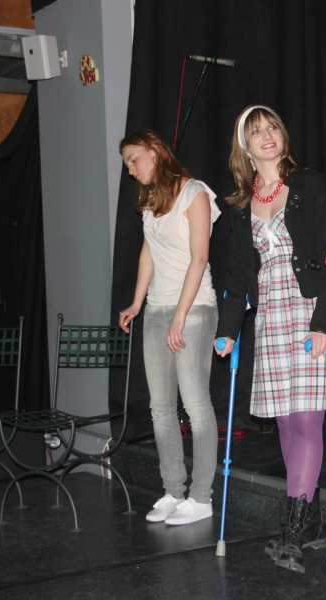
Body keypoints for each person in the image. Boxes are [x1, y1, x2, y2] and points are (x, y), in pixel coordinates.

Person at [215, 105, 326, 573]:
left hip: (308, 310)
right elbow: (237, 275)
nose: (267, 136)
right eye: (256, 131)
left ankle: (292, 532)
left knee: (306, 421)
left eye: (273, 127)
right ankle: (312, 522)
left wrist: (324, 323)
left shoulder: (307, 185)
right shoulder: (239, 206)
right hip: (271, 317)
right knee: (284, 423)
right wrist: (227, 330)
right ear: (245, 147)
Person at [118, 130, 220, 526]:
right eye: (127, 164)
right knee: (160, 407)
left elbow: (200, 258)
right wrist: (136, 302)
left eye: (134, 159)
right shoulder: (150, 200)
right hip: (157, 309)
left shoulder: (195, 193)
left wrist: (180, 315)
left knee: (195, 405)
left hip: (193, 310)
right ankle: (173, 490)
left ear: (155, 152)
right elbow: (149, 250)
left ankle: (201, 497)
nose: (130, 170)